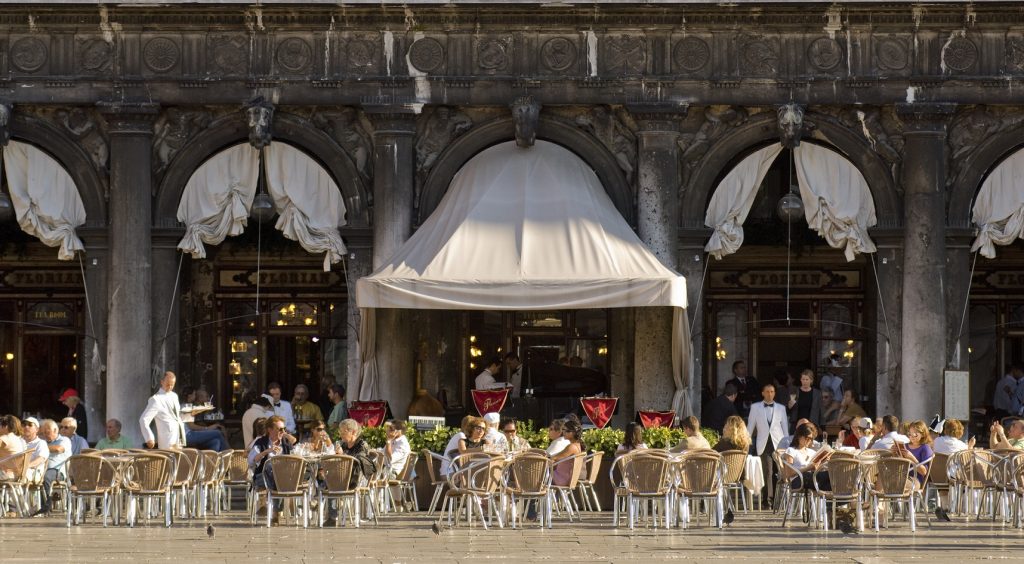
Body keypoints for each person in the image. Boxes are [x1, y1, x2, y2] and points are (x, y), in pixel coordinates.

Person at [140, 371, 228, 451]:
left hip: (180, 436)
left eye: (172, 385)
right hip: (168, 437)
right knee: (217, 434)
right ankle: (230, 456)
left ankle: (214, 465)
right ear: (162, 382)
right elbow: (143, 419)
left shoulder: (174, 396)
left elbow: (178, 416)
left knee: (215, 442)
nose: (170, 387)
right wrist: (149, 438)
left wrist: (192, 413)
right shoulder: (155, 399)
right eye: (168, 384)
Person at [747, 382, 788, 506]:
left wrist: (787, 444)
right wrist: (746, 442)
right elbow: (750, 426)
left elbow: (785, 427)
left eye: (772, 392)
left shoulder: (781, 408)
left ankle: (777, 498)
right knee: (767, 471)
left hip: (778, 443)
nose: (770, 394)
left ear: (775, 393)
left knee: (779, 471)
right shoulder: (755, 407)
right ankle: (767, 499)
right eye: (767, 392)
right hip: (763, 442)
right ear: (762, 393)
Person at [247, 415, 292, 523]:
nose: (283, 431)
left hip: (280, 478)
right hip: (261, 477)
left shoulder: (286, 444)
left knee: (279, 478)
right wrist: (267, 451)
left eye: (284, 429)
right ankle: (275, 512)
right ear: (269, 430)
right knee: (273, 471)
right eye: (280, 429)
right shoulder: (261, 443)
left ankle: (268, 505)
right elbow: (251, 460)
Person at [32, 419, 71, 516]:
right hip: (42, 469)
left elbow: (59, 449)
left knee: (45, 477)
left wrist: (42, 449)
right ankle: (31, 506)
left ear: (55, 431)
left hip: (58, 471)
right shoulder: (43, 442)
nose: (45, 435)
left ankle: (46, 504)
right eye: (43, 432)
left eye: (47, 432)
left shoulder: (64, 440)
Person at [781, 423, 831, 491]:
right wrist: (807, 468)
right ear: (799, 436)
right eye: (807, 438)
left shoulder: (811, 452)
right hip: (798, 480)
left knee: (830, 476)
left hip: (811, 477)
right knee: (809, 476)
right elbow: (789, 473)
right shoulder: (791, 450)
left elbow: (815, 468)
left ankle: (835, 500)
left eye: (811, 439)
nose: (809, 441)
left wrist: (823, 462)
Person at [338, 419, 377, 489]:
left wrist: (343, 455)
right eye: (340, 431)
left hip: (357, 480)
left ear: (353, 432)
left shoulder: (362, 445)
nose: (341, 434)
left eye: (344, 431)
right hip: (342, 476)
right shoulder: (343, 445)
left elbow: (359, 461)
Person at [551, 418, 584, 487]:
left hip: (560, 479)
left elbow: (554, 458)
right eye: (563, 430)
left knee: (536, 475)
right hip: (564, 478)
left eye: (566, 430)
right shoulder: (577, 445)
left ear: (574, 433)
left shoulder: (571, 447)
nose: (563, 432)